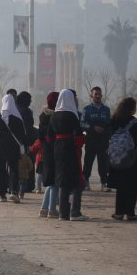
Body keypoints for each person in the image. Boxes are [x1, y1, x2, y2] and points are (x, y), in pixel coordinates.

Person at [107, 96, 137, 220]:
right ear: (132, 108)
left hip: (117, 157)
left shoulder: (114, 120)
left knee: (120, 187)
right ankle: (130, 213)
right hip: (132, 158)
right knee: (132, 187)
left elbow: (107, 135)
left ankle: (118, 213)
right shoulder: (135, 123)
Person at [48, 89, 87, 221]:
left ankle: (63, 213)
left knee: (62, 179)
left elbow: (49, 137)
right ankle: (75, 212)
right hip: (71, 148)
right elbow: (79, 135)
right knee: (76, 179)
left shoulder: (53, 116)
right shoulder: (71, 115)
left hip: (58, 148)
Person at [0, 94, 27, 203]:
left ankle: (2, 195)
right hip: (13, 147)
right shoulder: (17, 118)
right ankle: (14, 192)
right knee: (14, 169)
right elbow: (22, 135)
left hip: (1, 147)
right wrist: (24, 148)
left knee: (1, 170)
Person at [81, 86, 111, 192]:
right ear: (91, 95)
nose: (98, 96)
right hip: (91, 140)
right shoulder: (87, 109)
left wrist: (108, 134)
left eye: (99, 94)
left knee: (103, 163)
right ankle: (85, 182)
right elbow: (82, 124)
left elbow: (109, 125)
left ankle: (104, 183)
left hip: (103, 141)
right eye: (96, 94)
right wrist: (93, 127)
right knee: (88, 162)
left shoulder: (106, 109)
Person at [38, 91, 60, 217]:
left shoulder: (43, 116)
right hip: (55, 150)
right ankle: (52, 210)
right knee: (55, 181)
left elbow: (40, 137)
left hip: (46, 151)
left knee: (50, 181)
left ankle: (43, 209)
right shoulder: (56, 117)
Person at [15, 91, 37, 198]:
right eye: (29, 99)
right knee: (29, 164)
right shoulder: (27, 112)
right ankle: (28, 186)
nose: (30, 101)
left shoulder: (14, 109)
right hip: (27, 141)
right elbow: (29, 129)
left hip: (16, 141)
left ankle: (15, 186)